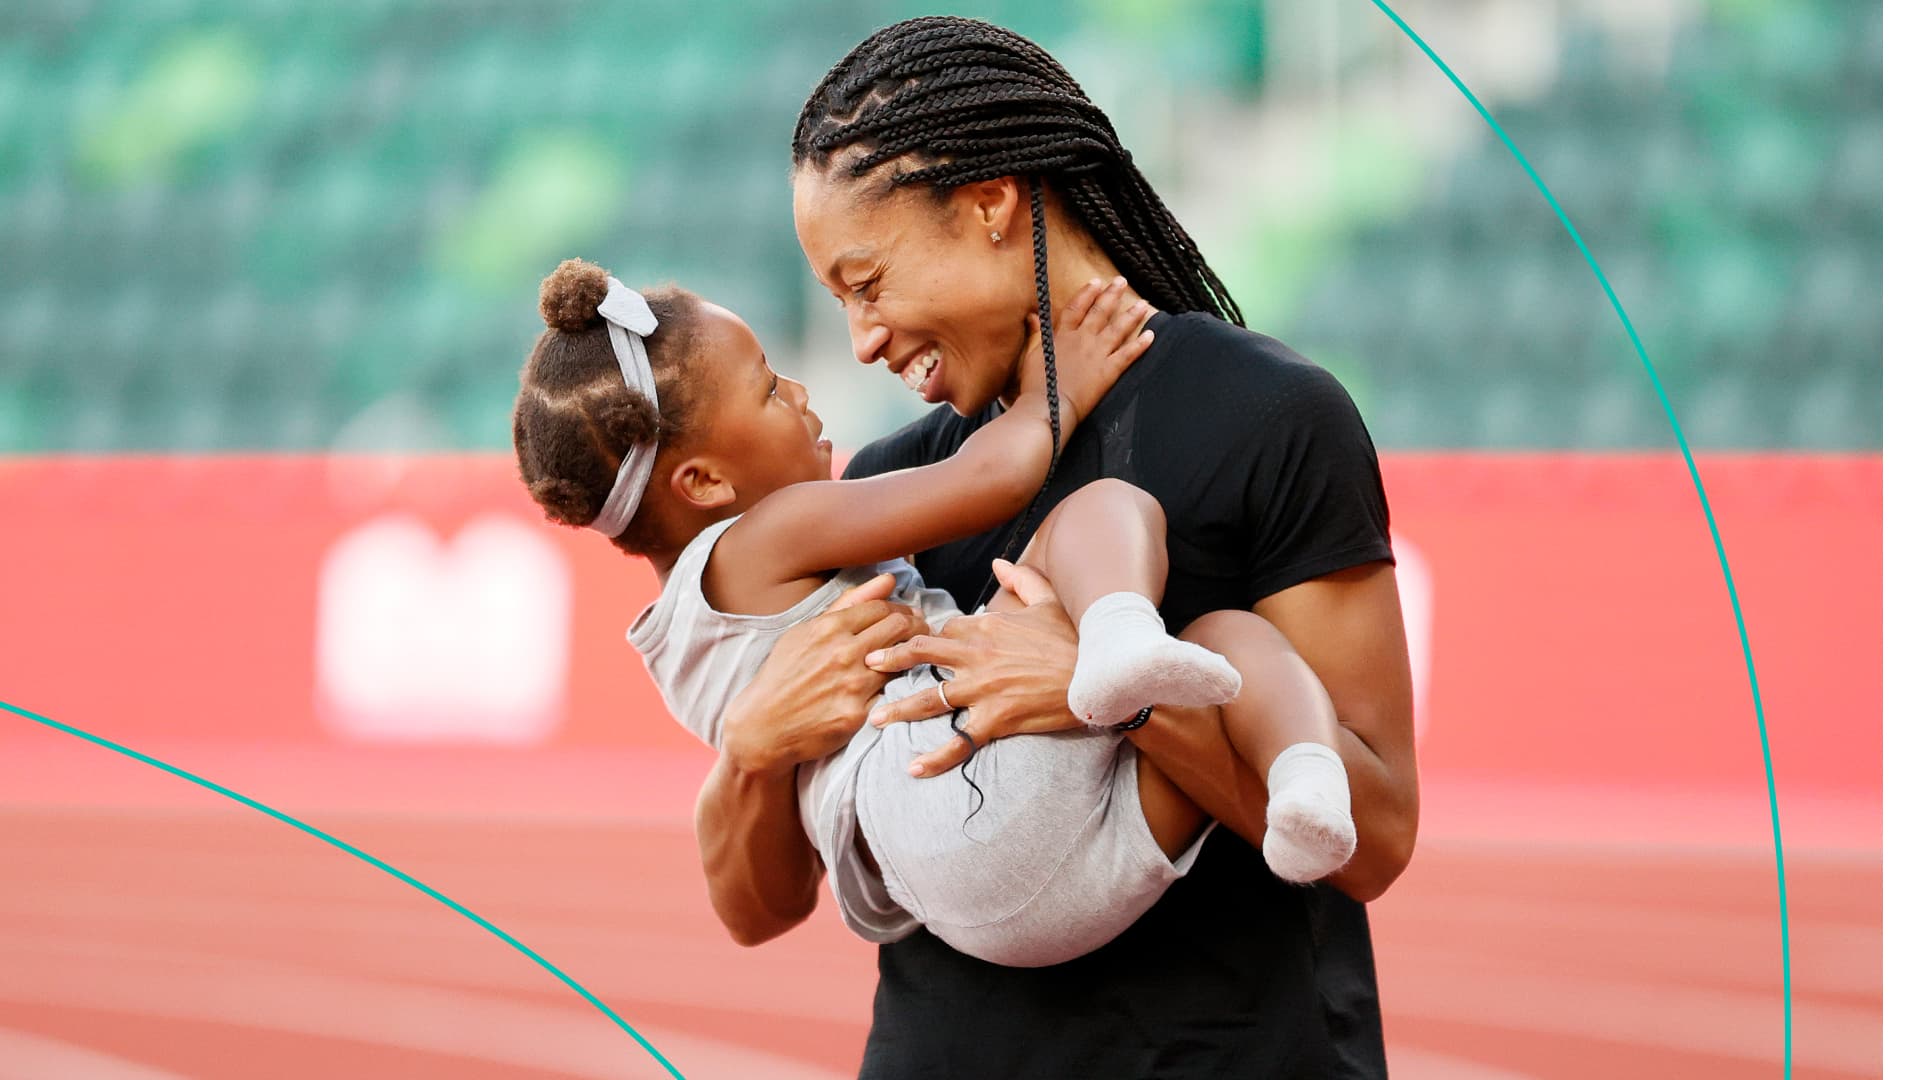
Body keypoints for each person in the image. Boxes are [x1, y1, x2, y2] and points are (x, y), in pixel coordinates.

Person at [700, 16, 1419, 1078]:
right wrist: (751, 750)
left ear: (990, 206)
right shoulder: (887, 487)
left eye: (869, 282)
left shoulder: (1274, 416)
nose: (861, 338)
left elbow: (1380, 832)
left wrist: (1118, 693)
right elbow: (759, 909)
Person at [511, 256, 1358, 966]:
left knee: (1216, 658)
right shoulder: (769, 533)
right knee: (1113, 518)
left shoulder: (674, 642)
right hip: (949, 779)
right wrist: (1059, 390)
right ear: (705, 485)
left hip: (979, 909)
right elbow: (988, 480)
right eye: (771, 388)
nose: (803, 391)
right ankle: (1134, 649)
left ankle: (1301, 800)